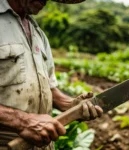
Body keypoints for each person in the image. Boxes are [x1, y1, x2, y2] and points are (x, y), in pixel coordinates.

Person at [0, 0, 103, 149]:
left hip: (43, 143)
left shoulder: (37, 32)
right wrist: (22, 122)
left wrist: (71, 105)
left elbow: (49, 88)